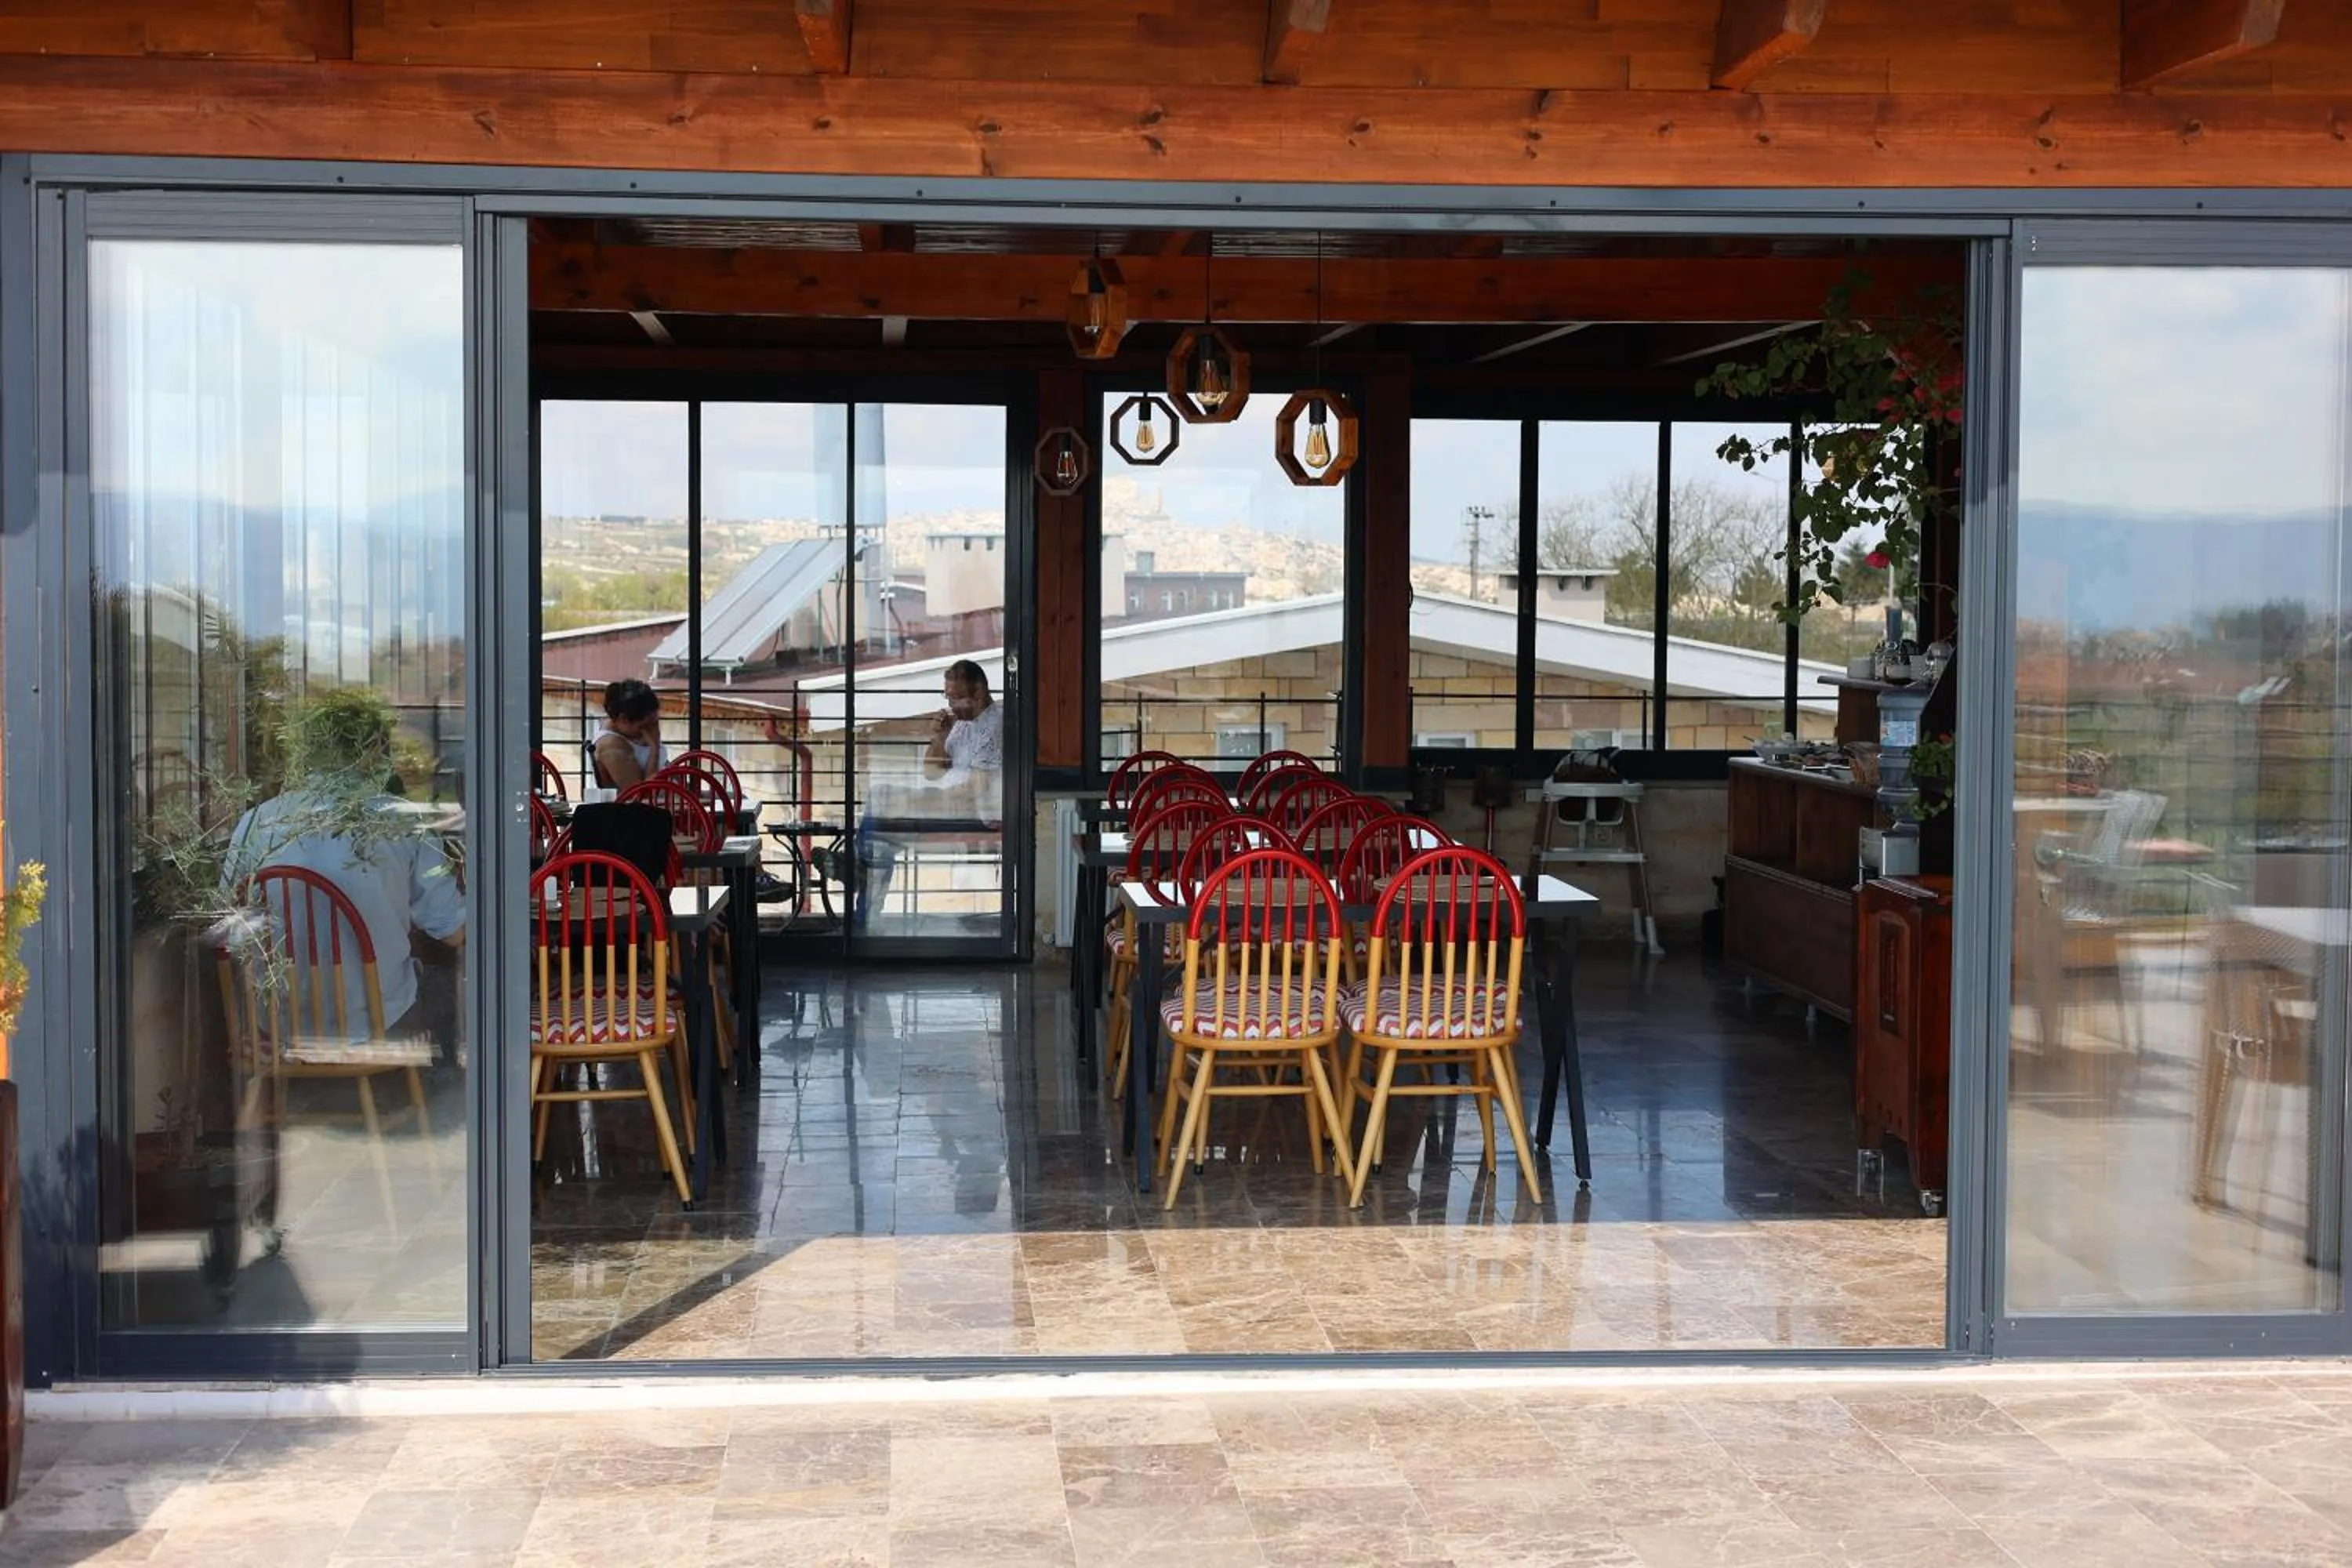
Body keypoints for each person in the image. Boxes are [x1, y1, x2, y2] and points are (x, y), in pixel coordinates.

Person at [222, 688, 466, 1052]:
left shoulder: (255, 822)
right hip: (378, 1019)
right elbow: (453, 932)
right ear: (372, 749)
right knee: (442, 975)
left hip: (277, 1022)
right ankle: (441, 1091)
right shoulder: (403, 822)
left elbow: (227, 924)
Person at [852, 659, 1004, 924]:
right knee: (878, 813)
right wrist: (940, 738)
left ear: (979, 691)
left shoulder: (994, 725)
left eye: (957, 697)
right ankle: (863, 909)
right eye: (948, 697)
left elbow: (976, 788)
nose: (952, 705)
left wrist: (922, 800)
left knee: (879, 820)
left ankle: (857, 893)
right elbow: (931, 771)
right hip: (944, 802)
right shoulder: (962, 722)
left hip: (970, 812)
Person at [588, 677, 666, 791]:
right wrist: (655, 750)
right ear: (624, 719)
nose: (652, 731)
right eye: (643, 726)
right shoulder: (611, 745)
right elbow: (639, 794)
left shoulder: (631, 733)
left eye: (655, 723)